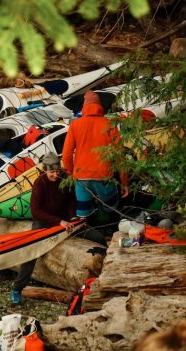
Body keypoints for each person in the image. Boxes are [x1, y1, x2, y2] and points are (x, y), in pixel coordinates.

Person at [10, 151, 106, 305]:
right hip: (44, 220)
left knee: (97, 237)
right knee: (32, 250)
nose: (55, 175)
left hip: (65, 219)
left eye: (57, 171)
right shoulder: (39, 184)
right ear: (45, 170)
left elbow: (71, 201)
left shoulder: (65, 180)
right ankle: (17, 288)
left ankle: (108, 269)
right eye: (51, 172)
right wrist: (58, 221)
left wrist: (73, 217)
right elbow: (36, 211)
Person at [62, 90, 129, 223]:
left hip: (82, 178)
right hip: (104, 176)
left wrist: (71, 173)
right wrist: (124, 182)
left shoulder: (75, 125)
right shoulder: (110, 125)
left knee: (84, 214)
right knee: (112, 208)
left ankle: (90, 236)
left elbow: (66, 155)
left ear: (84, 107)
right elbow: (120, 156)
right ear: (100, 106)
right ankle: (112, 230)